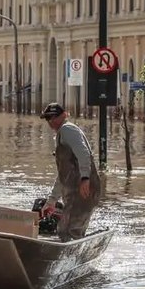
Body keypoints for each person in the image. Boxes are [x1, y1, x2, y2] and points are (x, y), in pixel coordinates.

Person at [40, 102, 101, 241]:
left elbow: (84, 154)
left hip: (84, 190)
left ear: (64, 115)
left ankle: (70, 257)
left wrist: (85, 178)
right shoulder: (61, 135)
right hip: (74, 194)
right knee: (66, 229)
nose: (51, 122)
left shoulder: (68, 130)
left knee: (69, 231)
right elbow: (63, 175)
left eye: (54, 117)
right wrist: (52, 201)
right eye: (48, 118)